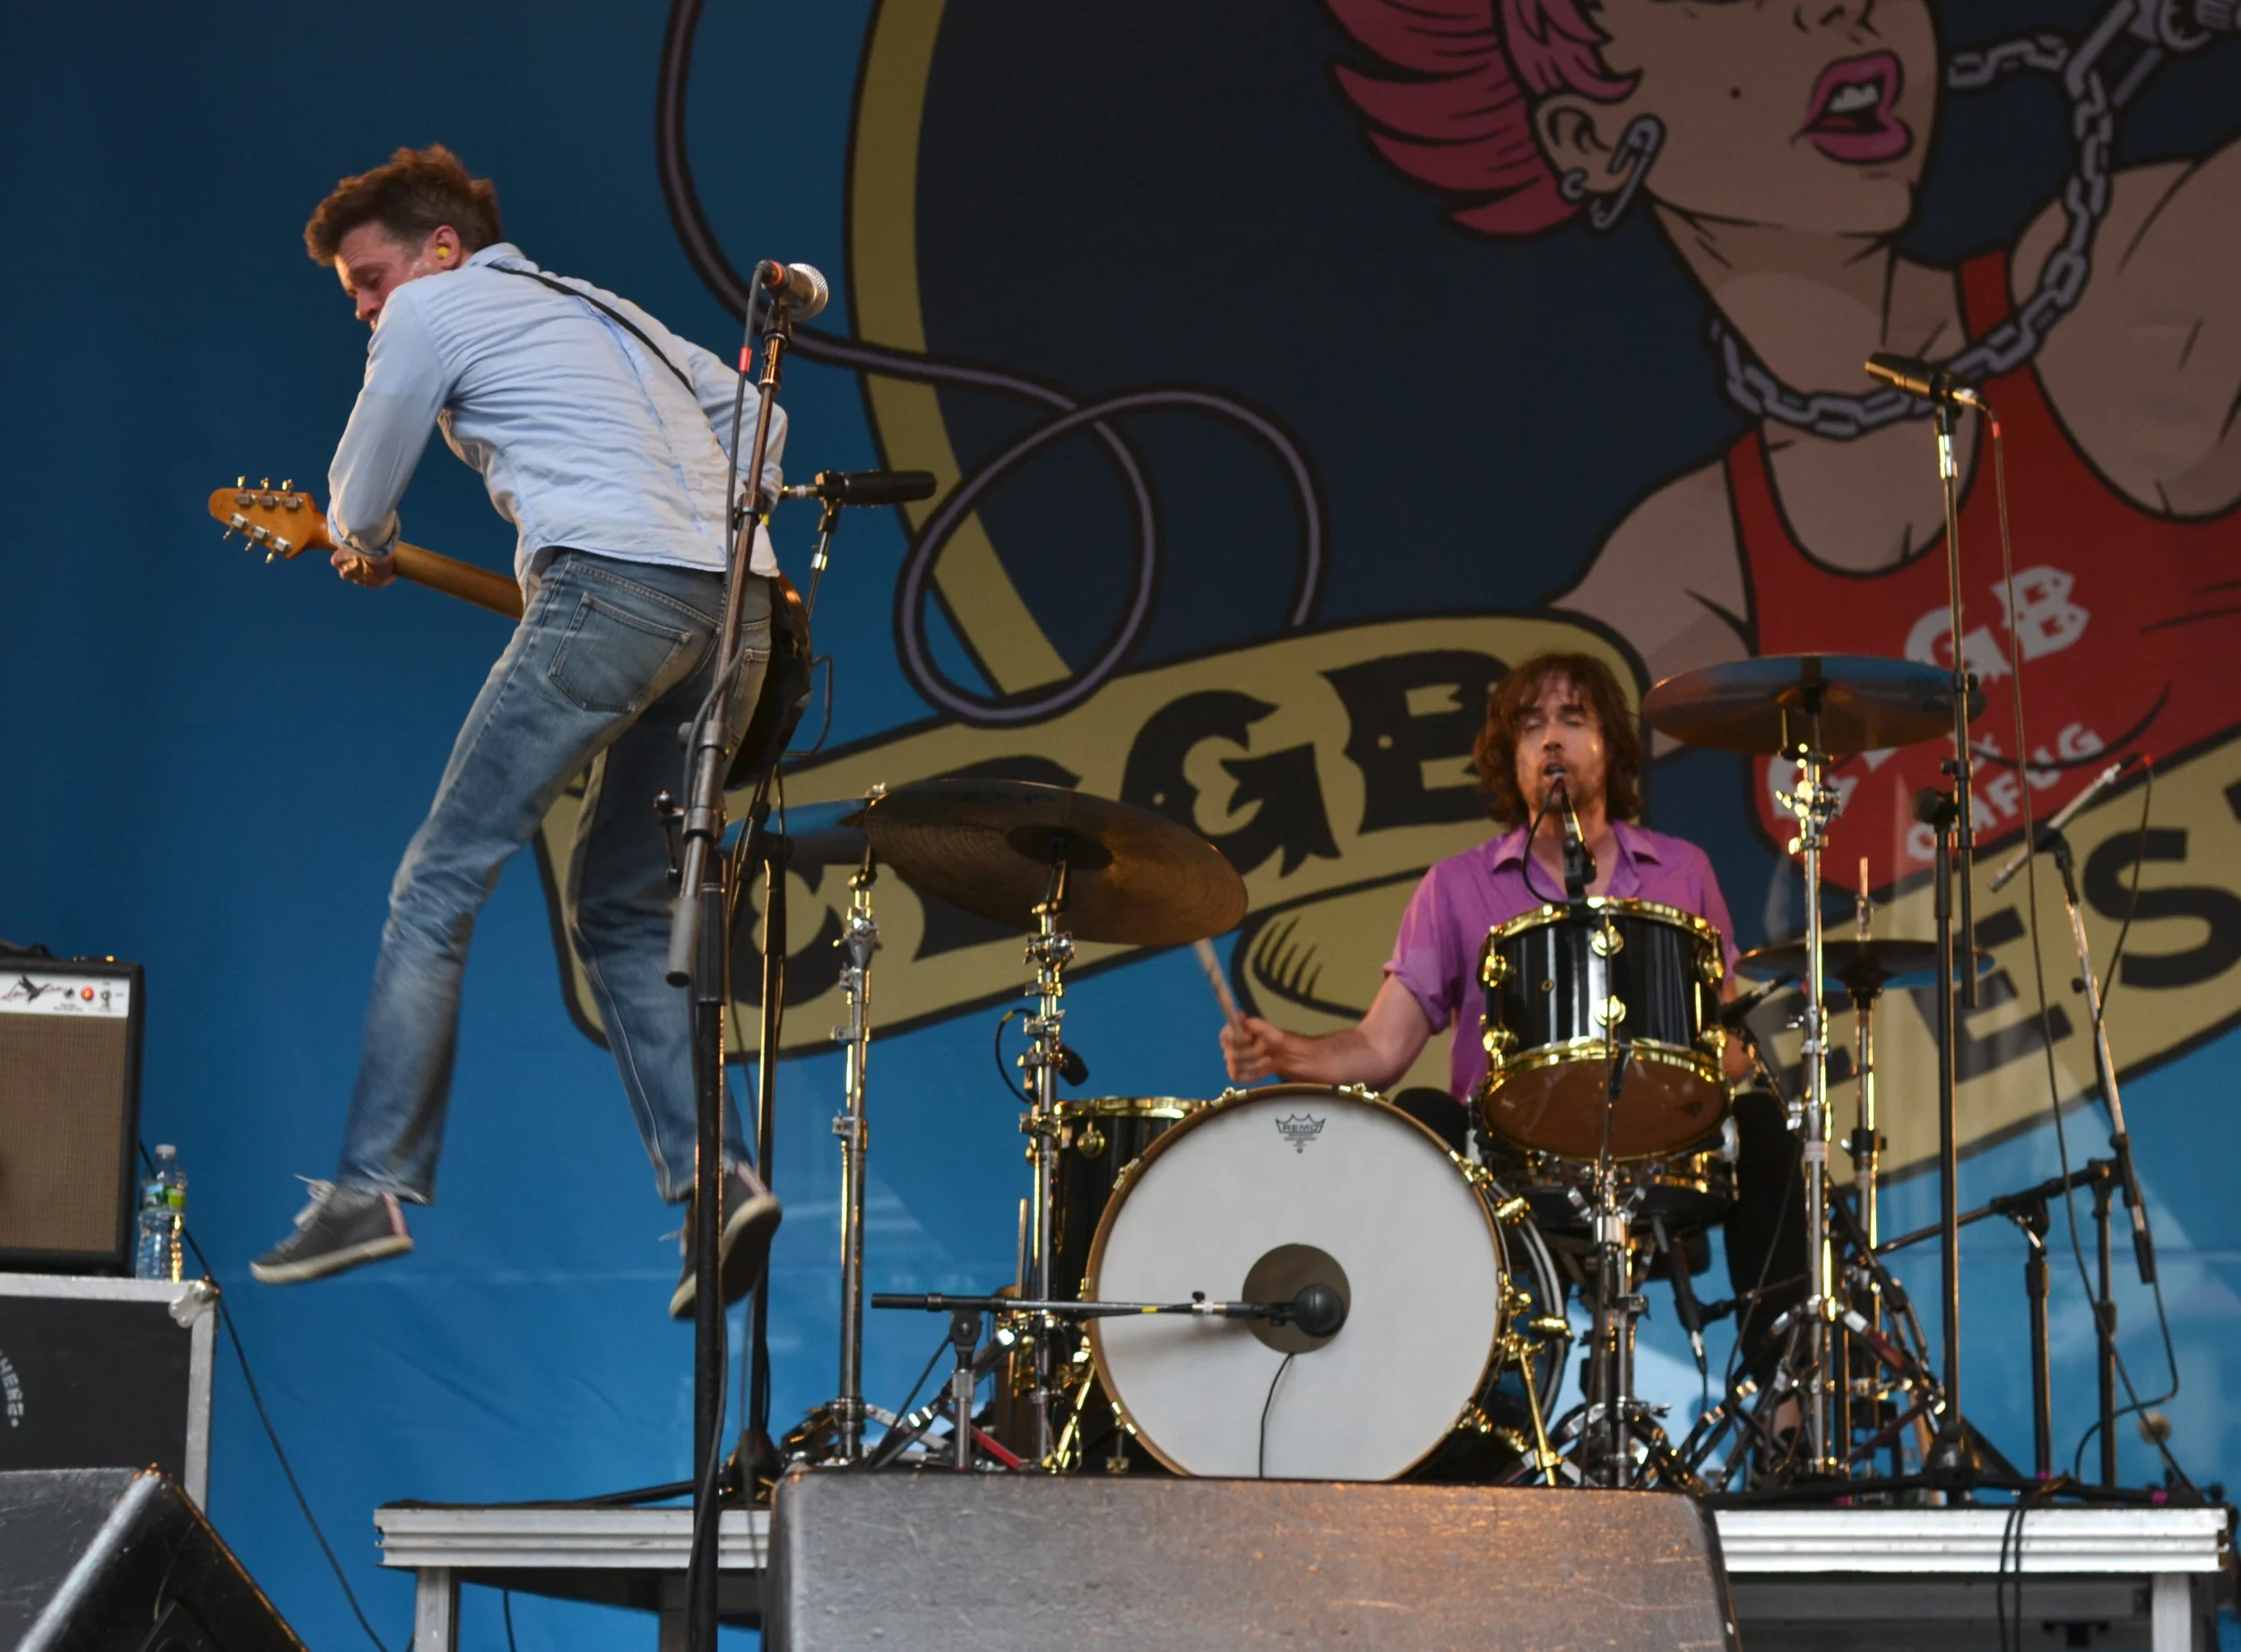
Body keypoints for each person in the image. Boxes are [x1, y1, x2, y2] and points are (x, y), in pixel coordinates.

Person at [1328, 0, 2241, 882]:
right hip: (1940, 1040)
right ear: (1590, 137)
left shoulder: (2121, 303)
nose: (1840, 7)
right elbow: (1435, 824)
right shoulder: (1690, 567)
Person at [251, 145, 782, 1319]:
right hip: (739, 618)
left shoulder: (439, 305)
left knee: (439, 883)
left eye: (369, 279)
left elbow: (362, 479)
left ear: (439, 249)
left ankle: (374, 1182)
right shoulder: (606, 309)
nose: (368, 307)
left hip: (609, 595)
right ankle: (717, 1177)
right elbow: (757, 411)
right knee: (630, 910)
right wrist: (704, 528)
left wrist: (362, 534)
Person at [1220, 651, 1805, 1376]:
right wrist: (1286, 1052)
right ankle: (1422, 1395)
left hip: (1659, 1144)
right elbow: (1381, 1047)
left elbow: (1737, 1041)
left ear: (1609, 745)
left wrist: (1689, 1072)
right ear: (1512, 756)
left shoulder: (1682, 870)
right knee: (1424, 1114)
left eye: (1572, 718)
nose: (1552, 739)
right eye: (1532, 726)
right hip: (1510, 1155)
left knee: (1768, 1131)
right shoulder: (1455, 886)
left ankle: (1788, 1400)